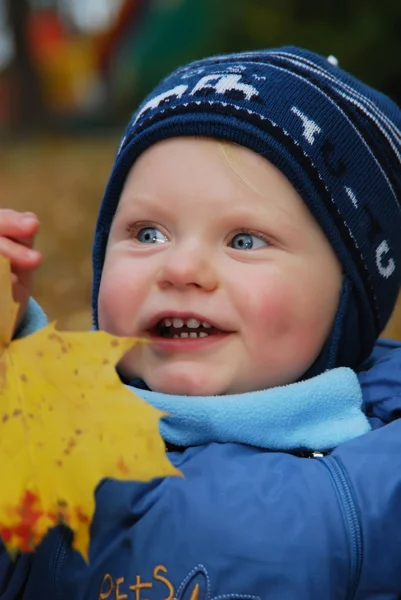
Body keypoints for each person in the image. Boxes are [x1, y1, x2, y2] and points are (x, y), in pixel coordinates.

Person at [1, 45, 401, 599]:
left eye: (244, 240)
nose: (181, 268)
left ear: (346, 296)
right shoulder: (39, 438)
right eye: (147, 234)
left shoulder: (385, 480)